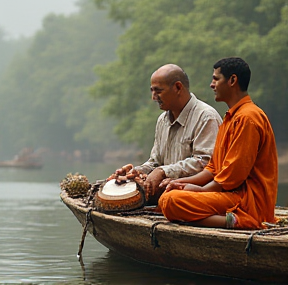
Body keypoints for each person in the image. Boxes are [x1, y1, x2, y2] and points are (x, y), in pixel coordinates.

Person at [158, 57, 278, 229]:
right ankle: (227, 218)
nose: (211, 85)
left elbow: (232, 176)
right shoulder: (230, 117)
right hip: (230, 195)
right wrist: (185, 182)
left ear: (232, 80)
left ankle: (244, 221)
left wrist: (202, 191)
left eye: (216, 79)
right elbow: (214, 168)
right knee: (170, 195)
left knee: (171, 201)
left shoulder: (248, 118)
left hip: (248, 201)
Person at [111, 64, 222, 204]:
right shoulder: (162, 120)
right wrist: (136, 172)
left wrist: (163, 172)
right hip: (166, 194)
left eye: (158, 91)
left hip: (193, 197)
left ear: (178, 87)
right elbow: (155, 162)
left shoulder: (206, 117)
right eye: (152, 91)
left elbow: (206, 163)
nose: (154, 97)